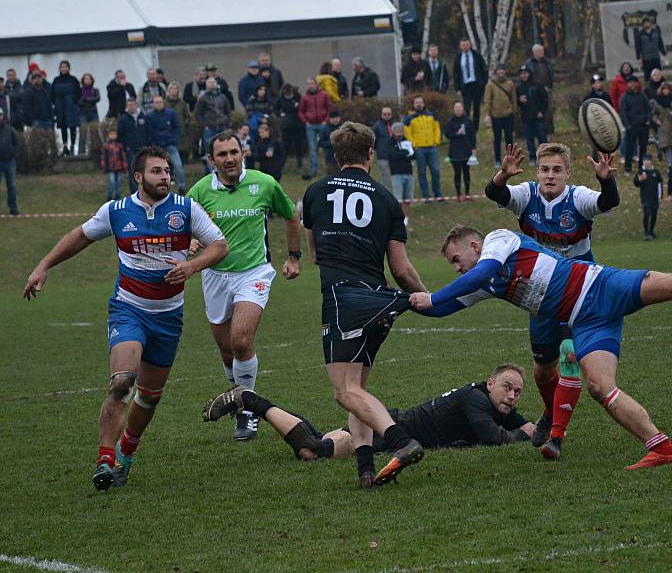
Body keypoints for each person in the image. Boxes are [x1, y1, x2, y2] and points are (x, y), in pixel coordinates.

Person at [409, 221, 672, 468]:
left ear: (473, 244)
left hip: (601, 286)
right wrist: (402, 302)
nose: (457, 268)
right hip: (585, 321)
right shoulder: (482, 281)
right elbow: (442, 310)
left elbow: (480, 272)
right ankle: (662, 449)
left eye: (457, 259)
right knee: (599, 386)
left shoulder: (498, 240)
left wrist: (435, 295)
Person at [23, 145, 229, 490]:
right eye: (156, 172)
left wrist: (191, 266)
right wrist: (43, 266)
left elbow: (220, 245)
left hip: (168, 316)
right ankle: (105, 460)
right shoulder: (116, 211)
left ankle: (127, 452)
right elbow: (79, 237)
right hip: (128, 308)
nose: (165, 177)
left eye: (166, 171)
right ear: (138, 177)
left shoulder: (186, 209)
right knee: (121, 381)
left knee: (150, 396)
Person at [301, 121, 428, 488]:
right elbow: (401, 269)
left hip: (344, 299)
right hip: (380, 302)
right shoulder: (387, 199)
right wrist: (425, 295)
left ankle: (400, 441)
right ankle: (365, 470)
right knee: (357, 389)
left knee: (345, 392)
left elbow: (314, 254)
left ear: (337, 155)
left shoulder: (314, 192)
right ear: (371, 154)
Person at [484, 143, 619, 457]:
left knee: (570, 354)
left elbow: (608, 200)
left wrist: (605, 180)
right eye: (545, 169)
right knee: (544, 369)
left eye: (557, 169)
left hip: (579, 291)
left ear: (568, 174)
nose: (550, 175)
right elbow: (496, 194)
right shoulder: (526, 196)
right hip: (541, 293)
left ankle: (556, 437)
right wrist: (502, 175)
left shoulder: (578, 198)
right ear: (537, 172)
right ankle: (549, 411)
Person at [187, 131, 300, 440]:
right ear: (212, 160)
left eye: (234, 151)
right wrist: (192, 241)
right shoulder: (199, 192)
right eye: (222, 154)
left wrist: (293, 256)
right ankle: (239, 393)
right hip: (214, 275)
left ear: (243, 153)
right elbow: (184, 226)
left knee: (240, 342)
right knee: (227, 353)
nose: (230, 158)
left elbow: (291, 215)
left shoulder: (264, 183)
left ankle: (247, 410)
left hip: (254, 273)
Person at [202, 364, 535, 460]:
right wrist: (525, 434)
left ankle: (253, 401)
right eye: (507, 386)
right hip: (387, 431)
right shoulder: (475, 399)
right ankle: (251, 400)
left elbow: (529, 426)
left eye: (518, 392)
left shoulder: (493, 402)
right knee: (313, 450)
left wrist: (543, 429)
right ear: (490, 383)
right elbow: (495, 439)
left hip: (390, 425)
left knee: (315, 442)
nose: (512, 396)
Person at [403, 94, 443, 203]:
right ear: (414, 104)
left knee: (435, 171)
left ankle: (438, 194)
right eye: (417, 103)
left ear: (423, 103)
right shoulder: (409, 118)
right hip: (419, 149)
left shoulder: (431, 115)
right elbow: (407, 133)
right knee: (422, 172)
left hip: (432, 148)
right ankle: (426, 197)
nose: (419, 104)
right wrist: (414, 145)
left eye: (420, 102)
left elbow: (437, 129)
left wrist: (436, 141)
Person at [145, 95, 185, 195]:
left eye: (160, 102)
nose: (158, 104)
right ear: (153, 104)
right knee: (157, 169)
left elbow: (177, 127)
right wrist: (153, 144)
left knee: (179, 166)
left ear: (163, 102)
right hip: (158, 147)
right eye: (156, 102)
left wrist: (174, 140)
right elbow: (149, 132)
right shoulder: (149, 116)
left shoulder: (170, 113)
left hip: (170, 144)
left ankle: (182, 187)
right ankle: (159, 188)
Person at [483, 63, 517, 168]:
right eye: (499, 70)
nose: (501, 72)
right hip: (496, 116)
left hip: (508, 114)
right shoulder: (491, 84)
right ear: (496, 72)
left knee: (509, 138)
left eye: (503, 70)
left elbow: (514, 98)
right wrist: (487, 114)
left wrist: (513, 111)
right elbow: (487, 100)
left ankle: (510, 159)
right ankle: (497, 160)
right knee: (497, 138)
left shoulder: (510, 84)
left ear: (505, 71)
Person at [298, 77, 332, 180]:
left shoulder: (324, 95)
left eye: (312, 83)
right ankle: (313, 170)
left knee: (326, 147)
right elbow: (300, 111)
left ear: (316, 84)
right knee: (312, 149)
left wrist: (326, 121)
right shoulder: (305, 97)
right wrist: (305, 121)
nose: (310, 86)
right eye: (308, 84)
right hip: (310, 125)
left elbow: (329, 108)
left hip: (322, 124)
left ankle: (328, 168)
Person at [196, 77, 232, 172]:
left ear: (216, 84)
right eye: (209, 82)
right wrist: (204, 125)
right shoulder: (203, 98)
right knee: (209, 150)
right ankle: (210, 172)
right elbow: (198, 113)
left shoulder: (223, 97)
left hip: (222, 127)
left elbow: (228, 111)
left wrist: (227, 122)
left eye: (213, 82)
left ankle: (225, 169)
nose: (212, 84)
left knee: (224, 148)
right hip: (209, 128)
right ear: (206, 85)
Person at [452, 38, 488, 130]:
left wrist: (484, 83)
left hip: (476, 84)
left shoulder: (476, 55)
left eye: (466, 45)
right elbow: (455, 74)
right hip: (465, 86)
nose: (465, 47)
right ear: (460, 46)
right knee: (467, 108)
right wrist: (457, 88)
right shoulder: (458, 58)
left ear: (470, 45)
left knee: (476, 108)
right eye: (463, 45)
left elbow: (483, 69)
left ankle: (475, 127)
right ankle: (467, 126)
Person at [444, 101, 477, 202]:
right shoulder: (450, 121)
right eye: (456, 108)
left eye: (460, 107)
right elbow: (447, 134)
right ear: (454, 110)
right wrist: (457, 133)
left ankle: (467, 193)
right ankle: (458, 194)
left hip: (466, 150)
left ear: (463, 109)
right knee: (457, 173)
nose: (458, 109)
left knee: (466, 172)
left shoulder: (468, 121)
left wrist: (474, 148)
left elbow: (472, 135)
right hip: (455, 152)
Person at [518, 66, 549, 165]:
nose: (524, 75)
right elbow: (516, 103)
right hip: (526, 117)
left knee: (542, 137)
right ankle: (532, 157)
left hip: (538, 116)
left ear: (529, 73)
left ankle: (546, 156)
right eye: (522, 73)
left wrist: (542, 112)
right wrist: (519, 101)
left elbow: (545, 99)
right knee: (529, 139)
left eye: (525, 73)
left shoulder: (537, 85)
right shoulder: (519, 88)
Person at [620, 75, 651, 175]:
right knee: (630, 147)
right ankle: (628, 167)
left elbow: (648, 109)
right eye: (630, 82)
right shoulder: (624, 97)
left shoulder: (642, 95)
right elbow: (623, 113)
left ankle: (641, 167)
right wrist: (627, 125)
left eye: (634, 82)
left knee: (643, 147)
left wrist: (647, 120)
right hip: (631, 126)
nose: (632, 84)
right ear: (627, 84)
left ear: (637, 83)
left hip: (643, 126)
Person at [117, 98, 148, 195]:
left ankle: (146, 192)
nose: (131, 107)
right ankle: (135, 194)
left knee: (145, 171)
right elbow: (120, 135)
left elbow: (149, 131)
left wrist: (147, 144)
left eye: (132, 104)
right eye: (129, 105)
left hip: (143, 149)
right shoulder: (123, 119)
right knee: (133, 172)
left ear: (136, 105)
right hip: (131, 150)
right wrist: (127, 146)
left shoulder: (143, 116)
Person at [50, 60, 81, 156]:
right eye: (62, 67)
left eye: (65, 67)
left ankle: (72, 146)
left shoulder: (73, 79)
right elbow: (52, 94)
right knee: (63, 127)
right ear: (59, 69)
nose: (64, 68)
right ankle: (65, 146)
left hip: (71, 106)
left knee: (72, 127)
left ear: (69, 68)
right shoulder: (56, 80)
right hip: (60, 107)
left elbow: (79, 93)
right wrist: (55, 103)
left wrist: (73, 101)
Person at [524, 44, 555, 134]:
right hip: (535, 91)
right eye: (540, 51)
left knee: (549, 109)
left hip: (547, 89)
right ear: (534, 52)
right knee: (537, 109)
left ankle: (549, 129)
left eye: (542, 51)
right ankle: (537, 130)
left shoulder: (547, 62)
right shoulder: (529, 63)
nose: (542, 53)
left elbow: (551, 74)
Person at [651, 83, 672, 166]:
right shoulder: (657, 101)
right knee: (667, 146)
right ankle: (671, 165)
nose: (666, 90)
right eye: (664, 89)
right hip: (664, 127)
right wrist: (657, 120)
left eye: (667, 89)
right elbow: (653, 114)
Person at [387, 122, 414, 225]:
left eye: (400, 130)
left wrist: (403, 154)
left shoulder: (407, 141)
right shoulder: (390, 143)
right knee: (398, 199)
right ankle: (398, 218)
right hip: (396, 174)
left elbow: (413, 155)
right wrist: (404, 153)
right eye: (397, 131)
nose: (399, 133)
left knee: (408, 199)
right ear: (393, 132)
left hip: (409, 173)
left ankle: (406, 219)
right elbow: (394, 155)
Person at [633, 153, 663, 240]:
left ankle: (651, 230)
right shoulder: (640, 171)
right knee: (647, 213)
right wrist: (639, 180)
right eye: (645, 160)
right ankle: (646, 232)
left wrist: (660, 196)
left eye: (648, 160)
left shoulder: (655, 172)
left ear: (651, 161)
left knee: (654, 214)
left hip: (655, 197)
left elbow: (659, 184)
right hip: (645, 197)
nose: (646, 162)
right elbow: (635, 183)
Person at [275, 84, 304, 172]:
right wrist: (280, 115)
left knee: (299, 146)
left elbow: (302, 107)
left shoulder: (298, 97)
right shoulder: (280, 99)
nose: (288, 94)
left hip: (297, 125)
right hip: (286, 126)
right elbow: (275, 108)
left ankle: (300, 166)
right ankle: (282, 166)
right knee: (285, 147)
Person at [0, 107, 20, 215]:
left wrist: (13, 153)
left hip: (10, 162)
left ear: (3, 116)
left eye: (0, 115)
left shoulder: (9, 129)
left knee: (11, 186)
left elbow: (16, 144)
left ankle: (13, 209)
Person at [371, 105, 396, 188]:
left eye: (388, 114)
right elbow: (373, 140)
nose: (387, 116)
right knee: (384, 174)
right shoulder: (377, 126)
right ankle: (385, 190)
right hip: (383, 155)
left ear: (391, 114)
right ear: (381, 114)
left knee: (395, 174)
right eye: (385, 114)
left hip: (394, 154)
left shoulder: (395, 124)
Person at [99, 129, 127, 201]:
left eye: (114, 134)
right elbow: (103, 158)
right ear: (108, 135)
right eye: (111, 134)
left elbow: (123, 157)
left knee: (118, 183)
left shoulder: (119, 145)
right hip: (110, 168)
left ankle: (118, 197)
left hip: (119, 167)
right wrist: (104, 168)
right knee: (111, 182)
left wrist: (124, 167)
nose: (113, 136)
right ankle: (110, 197)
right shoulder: (106, 146)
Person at [77, 73, 101, 154]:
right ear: (83, 80)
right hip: (83, 113)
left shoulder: (95, 90)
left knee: (95, 132)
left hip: (93, 113)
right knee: (82, 132)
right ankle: (81, 152)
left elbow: (97, 98)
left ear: (92, 80)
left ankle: (96, 151)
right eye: (86, 78)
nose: (87, 80)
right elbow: (78, 101)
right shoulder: (79, 90)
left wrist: (87, 99)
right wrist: (90, 100)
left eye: (89, 78)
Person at [318, 110, 342, 176]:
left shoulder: (343, 128)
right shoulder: (325, 129)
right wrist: (332, 143)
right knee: (332, 176)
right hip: (330, 159)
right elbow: (321, 143)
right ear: (329, 119)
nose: (335, 120)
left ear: (339, 118)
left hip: (343, 159)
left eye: (336, 118)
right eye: (333, 118)